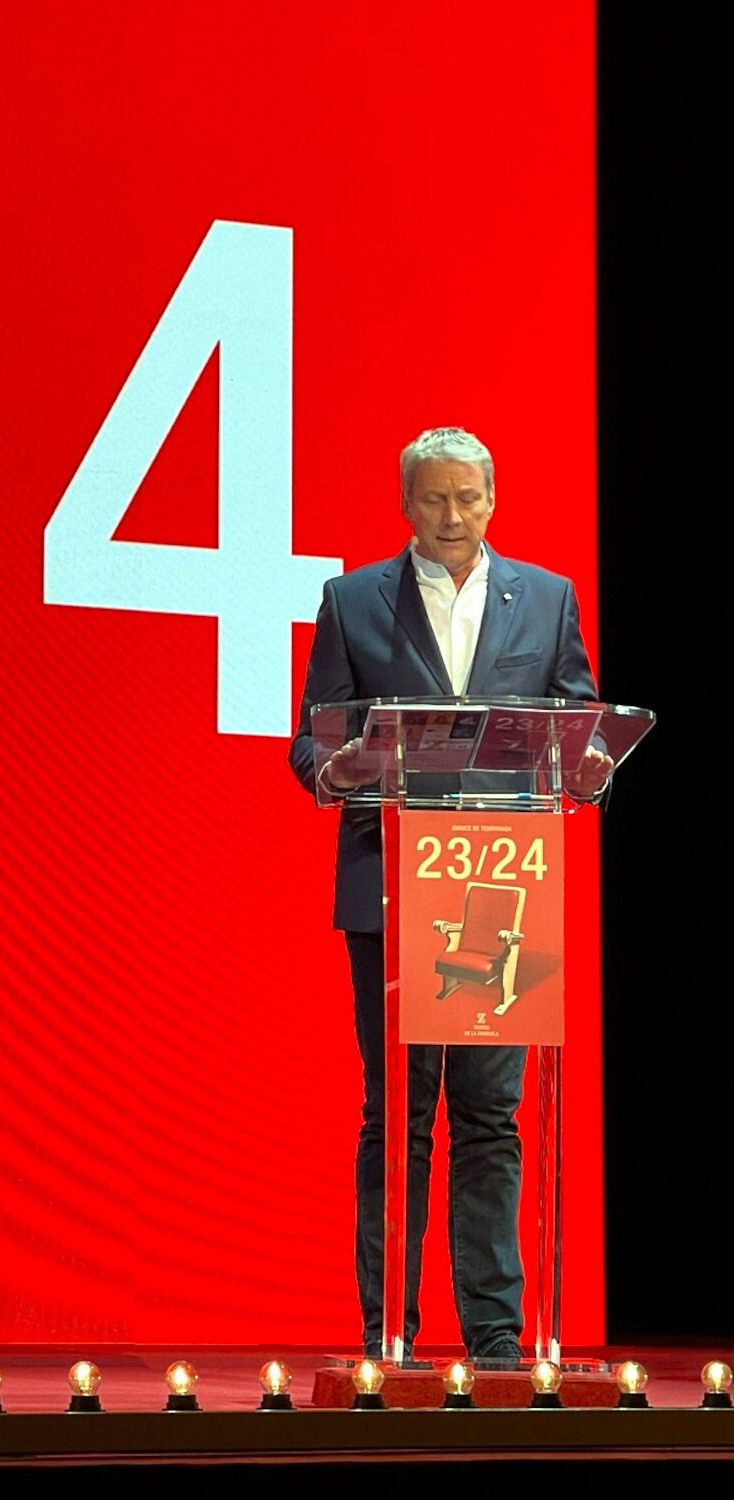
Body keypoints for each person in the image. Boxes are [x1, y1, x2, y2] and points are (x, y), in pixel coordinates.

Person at [288, 426, 611, 1364]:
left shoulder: (545, 599)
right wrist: (339, 767)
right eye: (433, 498)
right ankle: (388, 1334)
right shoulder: (352, 601)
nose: (452, 514)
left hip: (501, 886)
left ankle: (497, 1342)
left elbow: (578, 718)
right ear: (405, 504)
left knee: (489, 1118)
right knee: (397, 1115)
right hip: (393, 885)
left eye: (467, 496)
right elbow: (311, 741)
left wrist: (592, 764)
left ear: (492, 498)